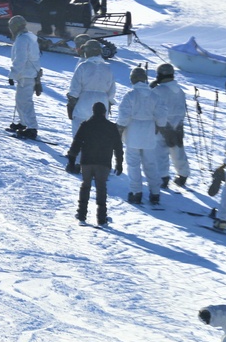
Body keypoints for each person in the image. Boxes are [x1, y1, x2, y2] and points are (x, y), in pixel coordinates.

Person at [67, 102, 124, 226]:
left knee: (85, 186)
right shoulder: (111, 127)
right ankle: (101, 218)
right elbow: (118, 147)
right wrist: (119, 163)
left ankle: (82, 214)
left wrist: (72, 159)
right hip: (103, 163)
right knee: (101, 187)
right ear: (104, 112)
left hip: (87, 161)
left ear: (93, 111)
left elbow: (76, 143)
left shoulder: (86, 125)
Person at [117, 67, 167, 206]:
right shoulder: (154, 96)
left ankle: (136, 192)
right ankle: (155, 193)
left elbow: (124, 115)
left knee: (133, 164)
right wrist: (160, 125)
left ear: (133, 79)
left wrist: (120, 129)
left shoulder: (130, 95)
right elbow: (162, 114)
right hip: (149, 132)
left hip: (133, 132)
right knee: (150, 164)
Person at [66, 39, 117, 163]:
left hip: (83, 102)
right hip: (102, 104)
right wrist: (109, 103)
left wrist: (71, 102)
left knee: (79, 133)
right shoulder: (108, 68)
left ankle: (78, 162)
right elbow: (112, 90)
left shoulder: (83, 66)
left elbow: (75, 88)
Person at [149, 63, 191, 189]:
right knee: (178, 148)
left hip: (163, 124)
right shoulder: (180, 90)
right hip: (178, 124)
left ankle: (163, 177)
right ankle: (183, 174)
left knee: (160, 151)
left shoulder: (158, 90)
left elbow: (151, 104)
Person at [7, 15, 42, 140]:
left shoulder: (22, 39)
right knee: (20, 100)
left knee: (25, 102)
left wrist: (13, 74)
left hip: (26, 74)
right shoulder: (29, 37)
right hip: (28, 73)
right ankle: (23, 123)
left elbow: (20, 59)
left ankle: (32, 128)